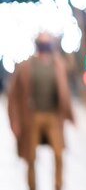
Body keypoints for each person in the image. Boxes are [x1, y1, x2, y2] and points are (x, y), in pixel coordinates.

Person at [8, 32, 75, 190]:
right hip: (32, 117)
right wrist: (15, 122)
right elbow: (13, 97)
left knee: (59, 154)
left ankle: (58, 186)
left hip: (53, 117)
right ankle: (32, 187)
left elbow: (68, 77)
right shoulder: (26, 67)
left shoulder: (57, 65)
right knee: (30, 157)